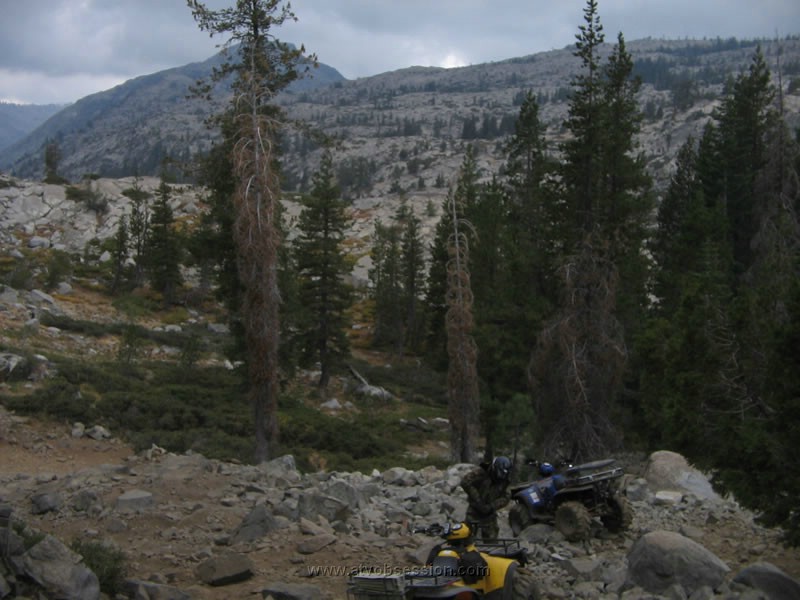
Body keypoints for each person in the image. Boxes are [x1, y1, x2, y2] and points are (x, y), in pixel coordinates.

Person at [460, 456, 512, 542]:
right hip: (474, 509)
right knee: (466, 537)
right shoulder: (481, 472)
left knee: (492, 541)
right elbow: (465, 482)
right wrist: (477, 499)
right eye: (499, 473)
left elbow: (506, 497)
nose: (500, 476)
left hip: (489, 513)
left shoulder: (505, 480)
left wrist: (492, 506)